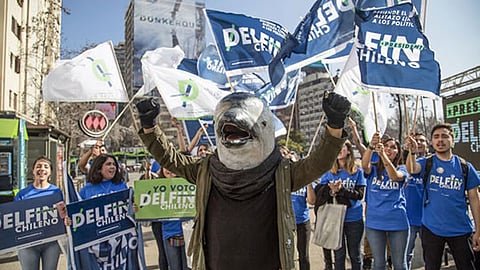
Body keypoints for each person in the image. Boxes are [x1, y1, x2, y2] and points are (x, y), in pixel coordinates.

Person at [135, 91, 351, 269]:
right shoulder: (206, 169)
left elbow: (317, 164)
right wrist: (149, 127)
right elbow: (171, 160)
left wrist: (334, 125)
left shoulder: (282, 171)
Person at [406, 123, 480, 269]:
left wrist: (478, 229)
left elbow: (474, 198)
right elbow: (412, 168)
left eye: (444, 136)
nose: (440, 140)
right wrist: (412, 152)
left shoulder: (465, 166)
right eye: (436, 137)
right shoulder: (426, 162)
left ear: (452, 140)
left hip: (461, 229)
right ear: (432, 141)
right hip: (431, 228)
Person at [313, 140, 366, 270]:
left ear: (348, 151)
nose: (338, 150)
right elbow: (320, 193)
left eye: (341, 147)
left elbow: (359, 195)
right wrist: (331, 189)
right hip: (335, 219)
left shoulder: (357, 171)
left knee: (355, 254)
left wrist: (341, 190)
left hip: (354, 218)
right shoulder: (329, 172)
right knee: (339, 254)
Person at [362, 132, 409, 270]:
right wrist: (371, 146)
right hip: (374, 222)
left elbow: (394, 176)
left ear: (398, 152)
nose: (389, 149)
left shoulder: (403, 169)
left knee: (399, 264)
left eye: (393, 147)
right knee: (379, 263)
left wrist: (382, 155)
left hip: (397, 221)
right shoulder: (374, 168)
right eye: (386, 145)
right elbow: (364, 165)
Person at [15, 156, 63, 270]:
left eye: (46, 167)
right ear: (33, 171)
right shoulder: (22, 194)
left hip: (51, 242)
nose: (42, 169)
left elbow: (63, 215)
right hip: (28, 244)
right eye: (38, 166)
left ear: (50, 172)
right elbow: (15, 218)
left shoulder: (57, 192)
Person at [281, 146, 315, 270]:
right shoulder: (281, 179)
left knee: (303, 255)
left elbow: (312, 201)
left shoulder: (301, 178)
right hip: (286, 222)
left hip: (302, 221)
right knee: (285, 255)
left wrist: (308, 180)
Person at [404, 132, 429, 269]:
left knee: (430, 256)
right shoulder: (404, 165)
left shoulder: (432, 164)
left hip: (429, 219)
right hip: (409, 218)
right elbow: (412, 169)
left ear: (427, 145)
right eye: (416, 140)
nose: (418, 143)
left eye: (421, 141)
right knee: (406, 255)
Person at [159, 167, 190, 270]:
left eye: (171, 166)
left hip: (187, 233)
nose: (169, 169)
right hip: (169, 234)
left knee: (188, 267)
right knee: (174, 267)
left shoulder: (189, 183)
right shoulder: (156, 187)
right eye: (165, 166)